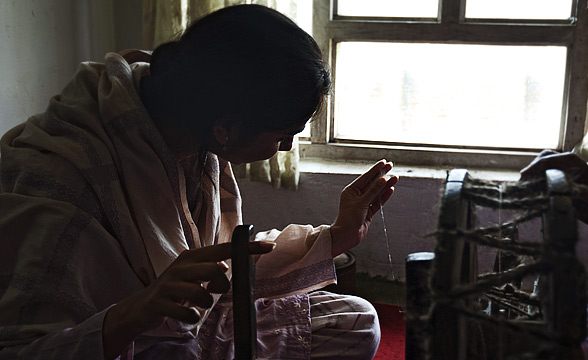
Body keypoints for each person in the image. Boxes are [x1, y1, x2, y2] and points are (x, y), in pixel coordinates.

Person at [0, 5, 398, 360]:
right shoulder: (63, 180)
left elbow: (214, 268)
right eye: (282, 136)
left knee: (355, 320)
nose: (285, 148)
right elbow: (24, 350)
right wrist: (136, 311)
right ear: (227, 127)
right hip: (122, 339)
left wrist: (338, 234)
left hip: (174, 325)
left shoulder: (190, 130)